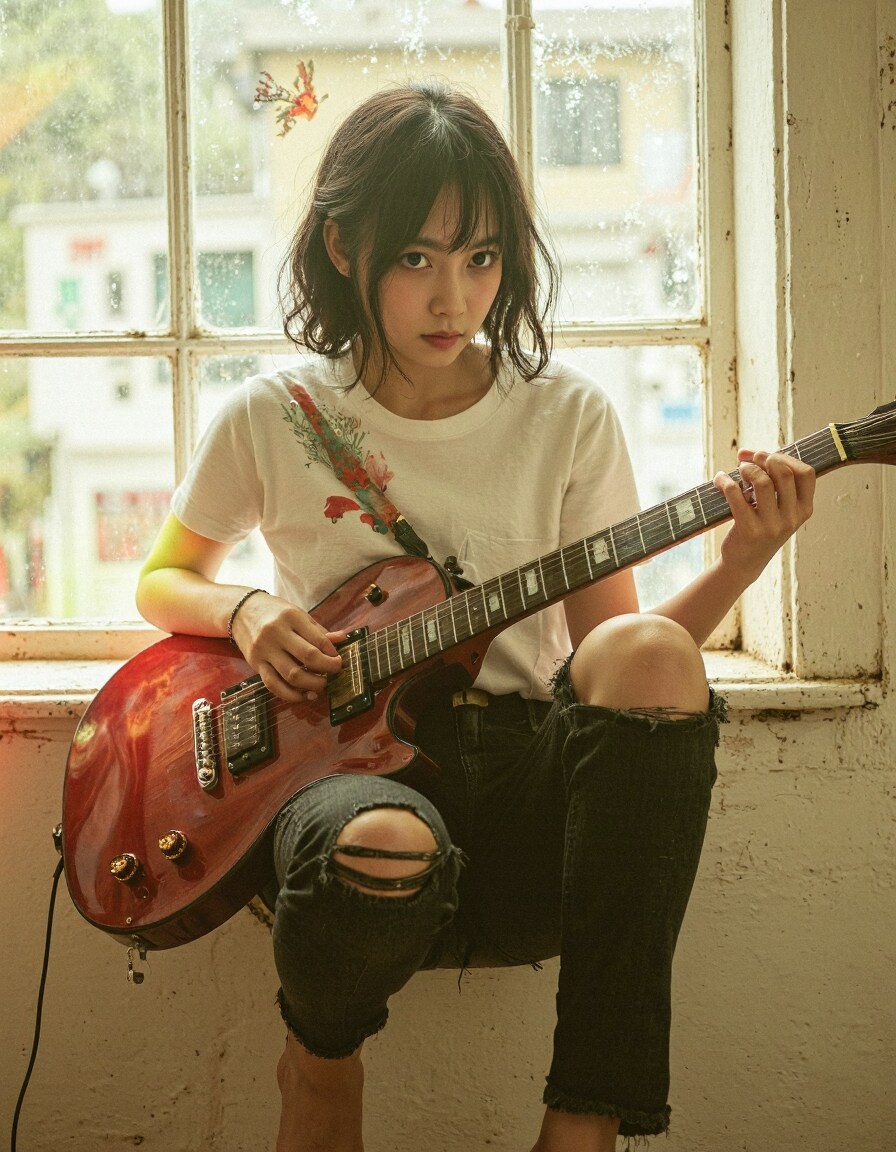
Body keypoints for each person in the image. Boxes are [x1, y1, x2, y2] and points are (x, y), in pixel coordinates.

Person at [136, 81, 815, 1152]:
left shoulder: (567, 416)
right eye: (417, 258)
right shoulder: (275, 414)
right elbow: (162, 579)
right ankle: (319, 1073)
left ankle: (585, 1120)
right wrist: (247, 608)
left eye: (482, 258)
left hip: (525, 776)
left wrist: (744, 558)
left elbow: (619, 662)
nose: (453, 299)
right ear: (345, 247)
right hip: (340, 779)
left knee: (647, 649)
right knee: (380, 843)